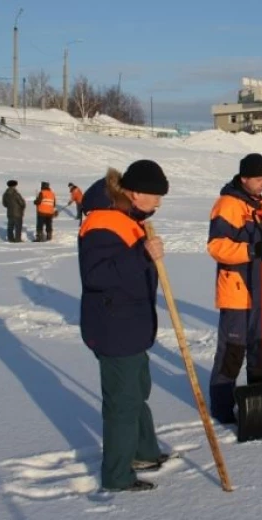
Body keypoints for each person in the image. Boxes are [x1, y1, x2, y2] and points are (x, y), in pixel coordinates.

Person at [78, 160, 171, 492]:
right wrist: (142, 255)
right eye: (154, 195)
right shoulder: (103, 223)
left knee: (137, 391)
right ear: (133, 192)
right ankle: (117, 476)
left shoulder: (129, 219)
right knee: (123, 403)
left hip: (131, 325)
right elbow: (96, 276)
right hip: (113, 326)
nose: (158, 203)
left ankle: (144, 452)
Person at [206, 153, 262, 424]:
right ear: (244, 178)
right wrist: (248, 250)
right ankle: (222, 408)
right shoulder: (228, 205)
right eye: (260, 179)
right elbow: (216, 246)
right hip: (237, 291)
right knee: (233, 351)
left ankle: (260, 400)